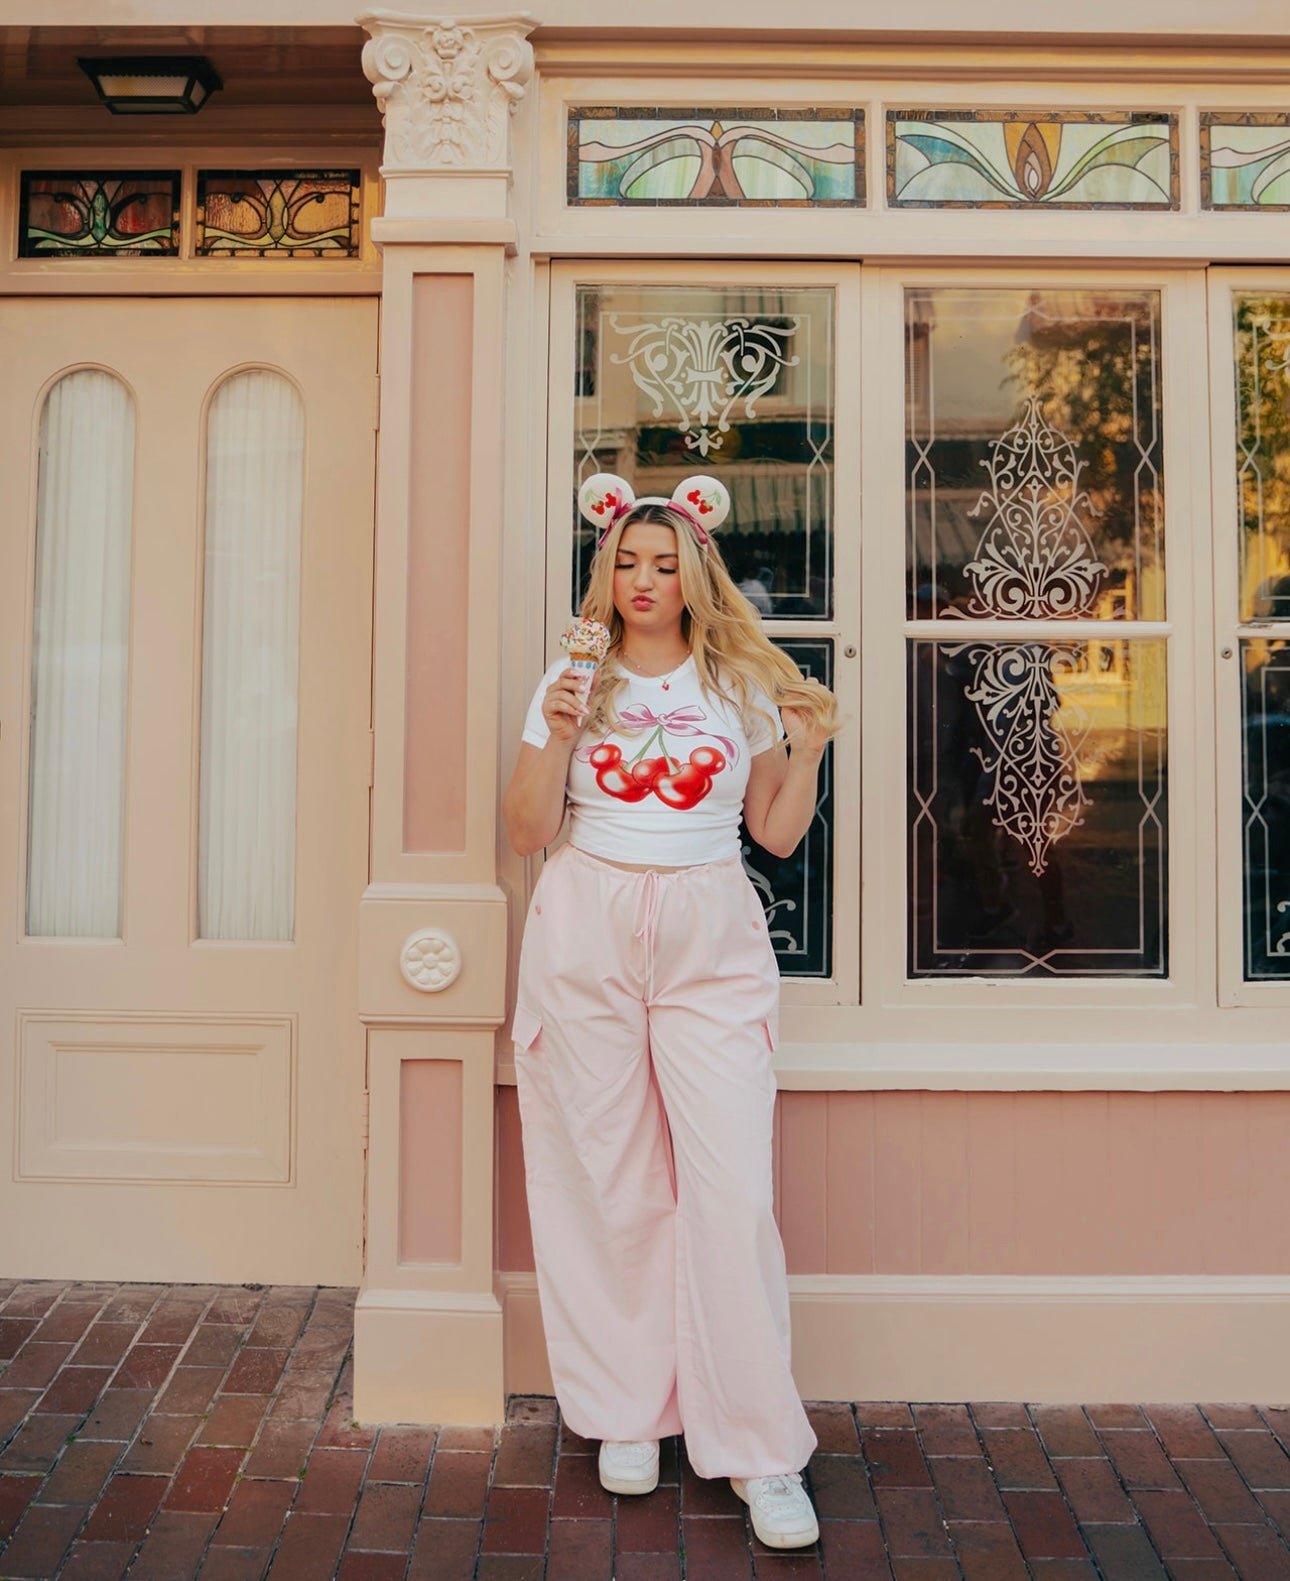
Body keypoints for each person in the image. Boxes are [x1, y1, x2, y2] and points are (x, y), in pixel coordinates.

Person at [502, 471, 840, 1551]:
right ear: (604, 570)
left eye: (665, 564)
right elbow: (522, 831)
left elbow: (777, 836)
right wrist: (554, 730)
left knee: (731, 1189)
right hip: (585, 921)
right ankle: (626, 1411)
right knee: (609, 1176)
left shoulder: (733, 679)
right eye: (626, 564)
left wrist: (810, 747)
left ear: (695, 575)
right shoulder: (570, 677)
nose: (644, 581)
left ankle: (759, 1448)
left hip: (708, 932)